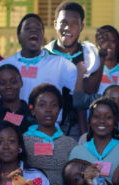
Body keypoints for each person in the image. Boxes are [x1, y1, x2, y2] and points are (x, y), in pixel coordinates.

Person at [0, 14, 78, 134]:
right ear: (19, 37)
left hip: (47, 132)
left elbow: (81, 91)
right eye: (28, 28)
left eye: (38, 28)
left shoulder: (60, 64)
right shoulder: (3, 66)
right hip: (11, 131)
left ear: (42, 37)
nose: (33, 30)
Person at [45, 2, 101, 137]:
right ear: (55, 24)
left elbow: (91, 92)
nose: (67, 28)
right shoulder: (44, 55)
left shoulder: (90, 57)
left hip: (80, 127)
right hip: (47, 126)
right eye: (63, 22)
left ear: (82, 26)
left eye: (74, 23)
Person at [22, 84, 79, 185]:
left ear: (59, 110)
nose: (48, 109)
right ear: (32, 110)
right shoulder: (23, 140)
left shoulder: (71, 143)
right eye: (42, 105)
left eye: (54, 105)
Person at [68, 98, 119, 178]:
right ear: (90, 121)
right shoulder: (77, 151)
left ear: (115, 122)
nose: (102, 121)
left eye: (108, 117)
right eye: (96, 116)